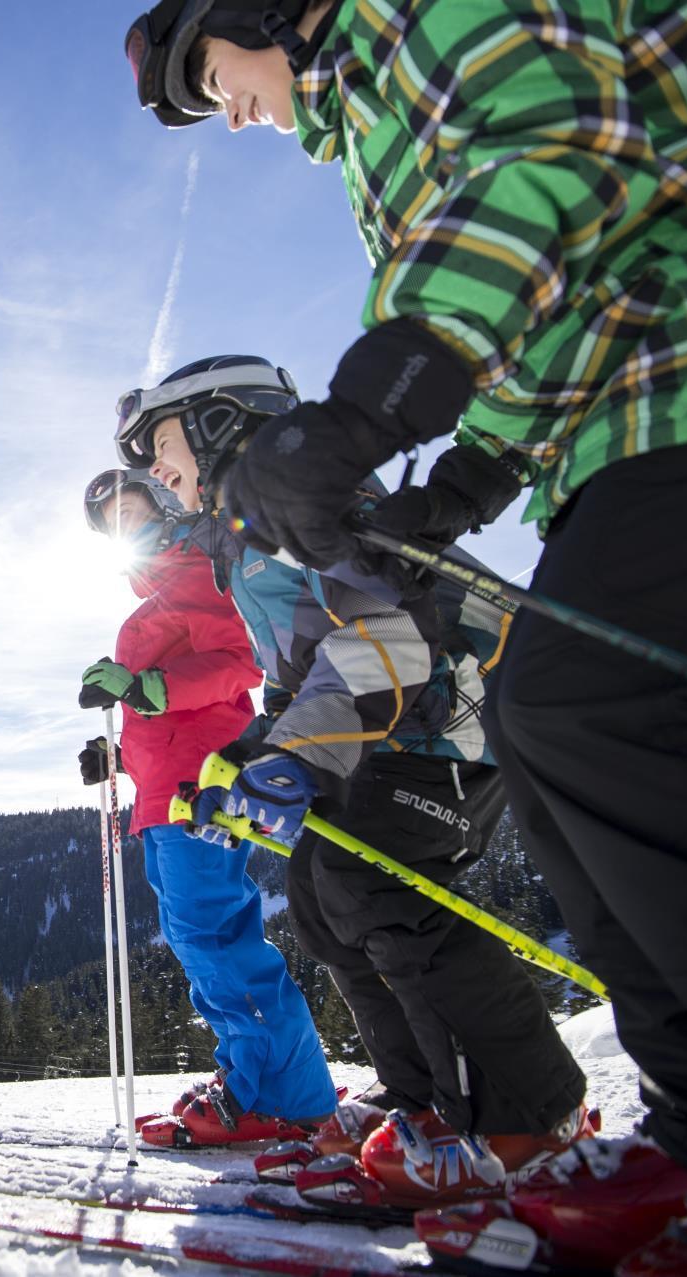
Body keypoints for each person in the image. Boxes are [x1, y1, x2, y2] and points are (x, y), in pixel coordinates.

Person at [123, 1, 687, 1269]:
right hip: (653, 401)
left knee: (602, 715)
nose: (227, 110)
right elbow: (583, 289)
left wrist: (371, 407)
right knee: (557, 731)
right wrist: (470, 479)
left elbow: (541, 161)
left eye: (212, 74)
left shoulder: (421, 19)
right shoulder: (377, 129)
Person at [114, 356, 590, 1207]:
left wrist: (293, 756)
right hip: (390, 729)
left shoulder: (299, 491)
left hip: (461, 714)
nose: (152, 467)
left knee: (374, 883)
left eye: (161, 440)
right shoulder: (242, 531)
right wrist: (256, 753)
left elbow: (390, 637)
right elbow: (301, 676)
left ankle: (528, 1115)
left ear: (223, 420)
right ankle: (424, 1103)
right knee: (325, 899)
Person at [75, 469, 336, 1145]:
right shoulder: (154, 597)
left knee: (215, 938)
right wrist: (119, 757)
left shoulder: (196, 569)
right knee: (200, 941)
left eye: (132, 511)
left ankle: (279, 1095)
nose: (124, 529)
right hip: (164, 793)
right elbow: (165, 715)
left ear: (163, 505)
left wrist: (145, 684)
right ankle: (256, 1078)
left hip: (202, 790)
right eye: (113, 526)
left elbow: (239, 661)